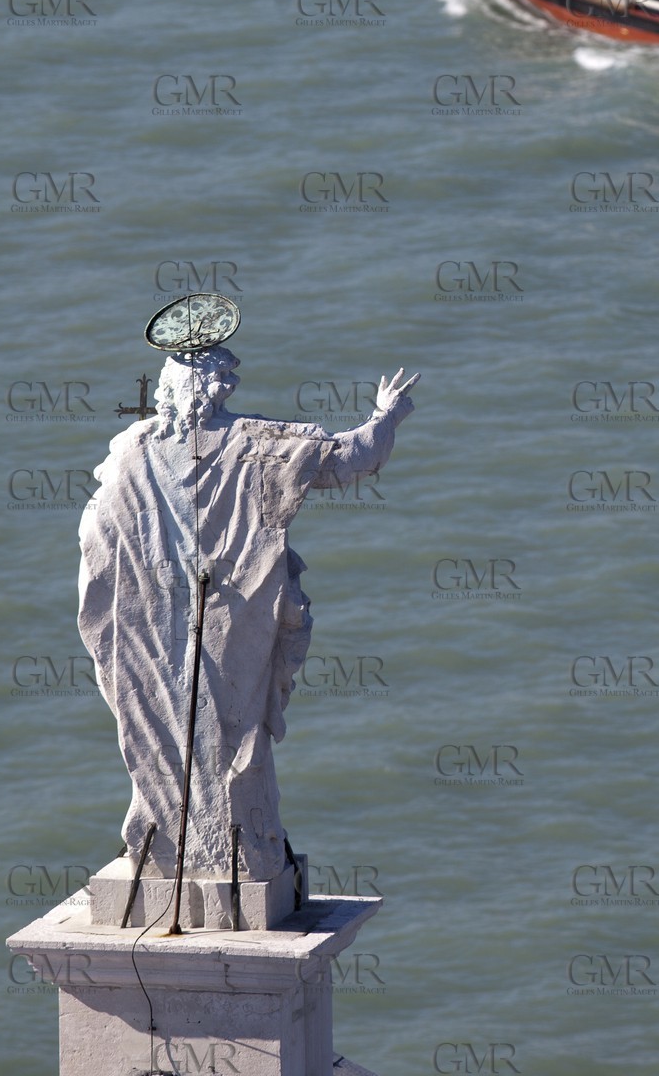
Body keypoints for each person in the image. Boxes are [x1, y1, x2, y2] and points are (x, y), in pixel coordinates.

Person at [77, 347, 418, 883]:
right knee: (196, 735)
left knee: (200, 736)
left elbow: (98, 547)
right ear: (201, 390)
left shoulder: (155, 451)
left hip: (187, 626)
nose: (217, 393)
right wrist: (387, 416)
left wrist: (383, 419)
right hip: (191, 624)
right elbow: (351, 459)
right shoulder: (214, 447)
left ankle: (209, 842)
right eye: (213, 383)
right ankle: (210, 844)